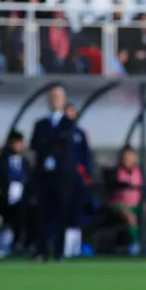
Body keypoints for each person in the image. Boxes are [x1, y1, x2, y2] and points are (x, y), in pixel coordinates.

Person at [30, 86, 76, 262]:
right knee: (42, 214)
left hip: (62, 176)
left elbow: (64, 142)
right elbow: (36, 144)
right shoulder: (41, 124)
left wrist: (48, 142)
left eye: (58, 97)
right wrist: (52, 142)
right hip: (44, 175)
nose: (54, 100)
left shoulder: (69, 122)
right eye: (52, 97)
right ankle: (41, 250)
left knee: (61, 213)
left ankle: (59, 251)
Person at [109, 146, 146, 255]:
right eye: (126, 157)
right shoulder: (116, 172)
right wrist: (127, 185)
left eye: (131, 156)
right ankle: (135, 244)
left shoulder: (140, 171)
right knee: (130, 217)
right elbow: (113, 185)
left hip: (137, 204)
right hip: (120, 205)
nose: (128, 159)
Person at [63, 103, 93, 259]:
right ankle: (63, 246)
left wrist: (87, 178)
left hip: (78, 181)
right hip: (62, 181)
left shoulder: (80, 134)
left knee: (77, 212)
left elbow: (86, 158)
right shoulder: (59, 133)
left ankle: (75, 246)